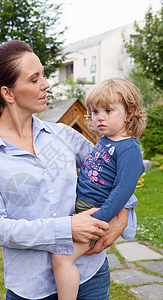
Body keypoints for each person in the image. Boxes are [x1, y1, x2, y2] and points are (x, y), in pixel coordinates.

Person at [0, 40, 132, 300]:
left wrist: (122, 215)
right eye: (34, 79)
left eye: (43, 74)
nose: (46, 84)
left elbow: (114, 170)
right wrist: (66, 228)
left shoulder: (64, 135)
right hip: (31, 288)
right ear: (9, 93)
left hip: (90, 274)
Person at [51, 78, 147, 300]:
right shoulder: (105, 140)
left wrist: (100, 220)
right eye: (95, 111)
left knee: (61, 257)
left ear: (129, 115)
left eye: (108, 110)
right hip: (80, 208)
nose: (99, 117)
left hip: (94, 213)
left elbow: (123, 191)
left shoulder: (128, 149)